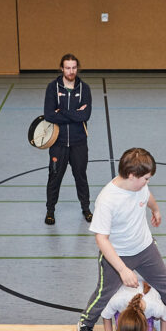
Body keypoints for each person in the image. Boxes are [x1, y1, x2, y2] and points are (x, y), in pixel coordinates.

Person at [78, 147, 166, 331]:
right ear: (131, 175)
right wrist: (122, 269)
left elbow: (147, 195)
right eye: (146, 178)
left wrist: (155, 209)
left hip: (145, 248)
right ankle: (85, 324)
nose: (147, 182)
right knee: (104, 294)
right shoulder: (108, 199)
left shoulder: (139, 187)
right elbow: (101, 239)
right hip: (118, 255)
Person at [42, 53, 93, 225]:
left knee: (81, 177)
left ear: (77, 68)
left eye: (74, 67)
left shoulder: (84, 89)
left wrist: (62, 111)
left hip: (79, 143)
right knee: (54, 178)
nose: (71, 71)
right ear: (61, 68)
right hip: (58, 143)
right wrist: (75, 114)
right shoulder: (52, 88)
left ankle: (86, 209)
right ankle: (50, 211)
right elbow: (49, 115)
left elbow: (85, 115)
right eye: (67, 68)